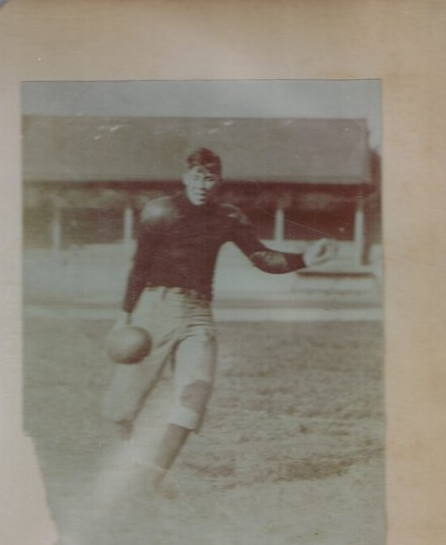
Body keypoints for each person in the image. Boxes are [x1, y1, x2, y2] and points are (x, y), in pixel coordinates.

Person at [103, 147, 336, 493]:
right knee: (122, 406)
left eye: (209, 177)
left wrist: (304, 258)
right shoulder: (160, 211)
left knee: (195, 394)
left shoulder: (228, 217)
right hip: (156, 303)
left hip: (198, 310)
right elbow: (140, 265)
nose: (202, 183)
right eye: (196, 176)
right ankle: (123, 459)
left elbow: (262, 257)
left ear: (218, 181)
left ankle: (153, 475)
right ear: (185, 178)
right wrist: (125, 316)